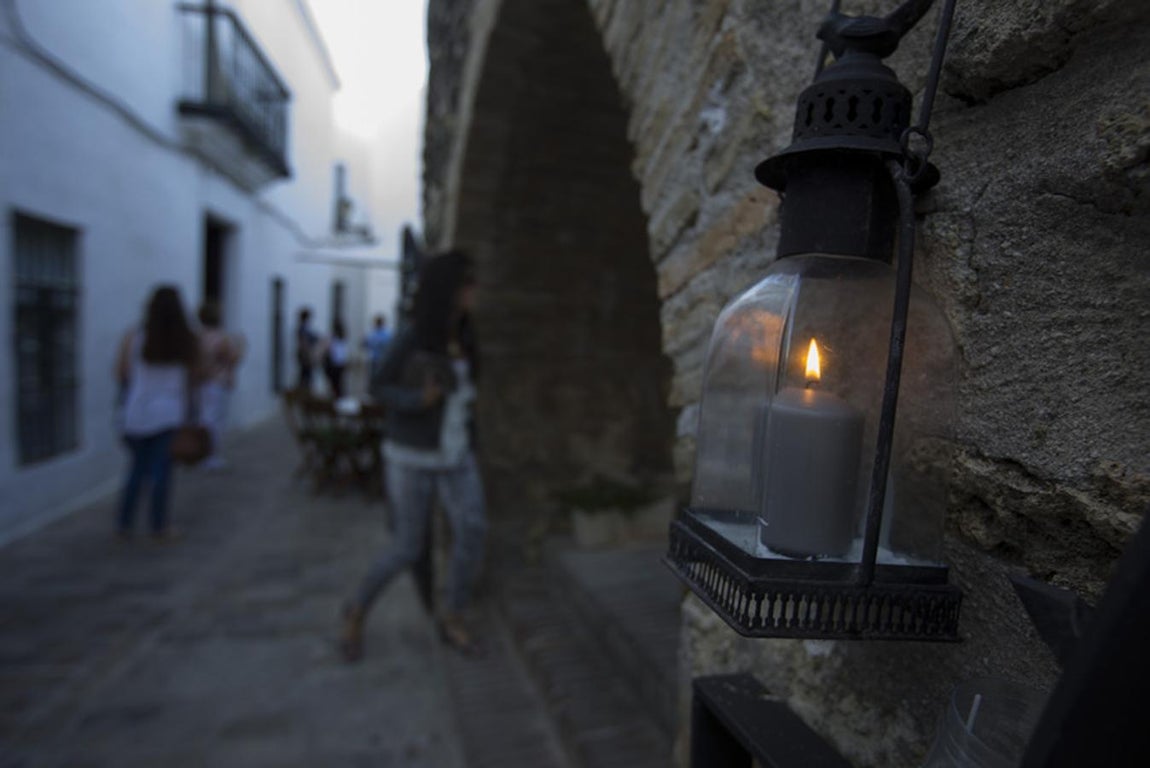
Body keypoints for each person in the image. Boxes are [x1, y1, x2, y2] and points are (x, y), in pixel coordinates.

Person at [340, 250, 486, 661]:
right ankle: (357, 609)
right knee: (407, 546)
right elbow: (377, 385)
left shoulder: (468, 333)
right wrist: (417, 399)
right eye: (468, 283)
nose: (476, 290)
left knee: (472, 530)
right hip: (412, 453)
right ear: (450, 289)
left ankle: (453, 614)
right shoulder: (414, 335)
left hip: (456, 452)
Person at [114, 285, 201, 541]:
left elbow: (121, 373)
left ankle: (124, 523)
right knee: (161, 471)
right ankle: (159, 526)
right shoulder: (185, 341)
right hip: (168, 413)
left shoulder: (134, 337)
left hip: (136, 411)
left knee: (136, 470)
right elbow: (194, 378)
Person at [197, 301, 245, 470]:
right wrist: (240, 346)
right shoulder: (220, 337)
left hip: (201, 382)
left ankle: (201, 453)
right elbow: (232, 359)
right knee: (214, 419)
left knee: (204, 417)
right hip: (216, 382)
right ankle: (210, 456)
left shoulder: (198, 336)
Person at [323, 319, 350, 398]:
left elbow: (328, 349)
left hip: (335, 363)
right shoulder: (343, 337)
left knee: (335, 383)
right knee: (339, 382)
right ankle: (339, 397)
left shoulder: (333, 338)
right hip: (341, 363)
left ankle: (337, 398)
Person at [295, 307, 319, 392]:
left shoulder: (304, 328)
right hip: (305, 354)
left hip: (305, 353)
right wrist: (308, 354)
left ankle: (305, 390)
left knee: (306, 374)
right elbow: (304, 343)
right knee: (306, 374)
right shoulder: (303, 328)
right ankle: (304, 391)